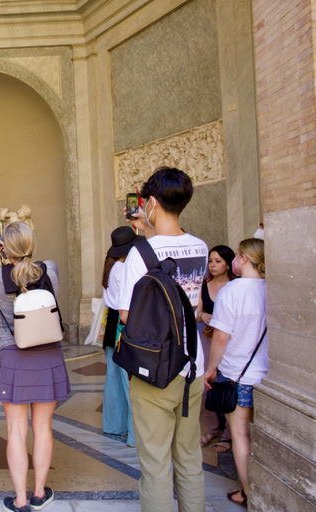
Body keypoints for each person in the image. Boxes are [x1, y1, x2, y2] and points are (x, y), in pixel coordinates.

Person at [116, 167, 208, 512]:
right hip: (192, 366)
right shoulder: (200, 246)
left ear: (150, 203)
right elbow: (196, 309)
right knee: (189, 459)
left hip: (155, 369)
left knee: (155, 466)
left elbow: (126, 315)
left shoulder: (141, 253)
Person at [0, 213, 70, 512]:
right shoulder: (50, 269)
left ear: (2, 248)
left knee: (15, 431)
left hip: (13, 354)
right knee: (44, 428)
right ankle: (39, 493)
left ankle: (20, 499)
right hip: (48, 353)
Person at [203, 238, 267, 508]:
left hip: (237, 374)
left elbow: (220, 337)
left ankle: (248, 492)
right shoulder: (272, 288)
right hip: (269, 377)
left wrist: (210, 368)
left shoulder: (232, 290)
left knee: (240, 434)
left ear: (242, 259)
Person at [101, 226, 143, 447]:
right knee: (130, 382)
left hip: (111, 324)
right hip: (124, 325)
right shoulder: (127, 268)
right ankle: (135, 434)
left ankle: (114, 425)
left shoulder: (111, 267)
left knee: (113, 378)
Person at [196, 245, 236, 451]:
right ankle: (212, 428)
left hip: (232, 342)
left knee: (228, 384)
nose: (212, 265)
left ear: (228, 264)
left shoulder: (236, 285)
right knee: (204, 385)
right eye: (210, 261)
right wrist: (202, 316)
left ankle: (229, 433)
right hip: (209, 339)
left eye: (218, 261)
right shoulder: (204, 285)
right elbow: (196, 313)